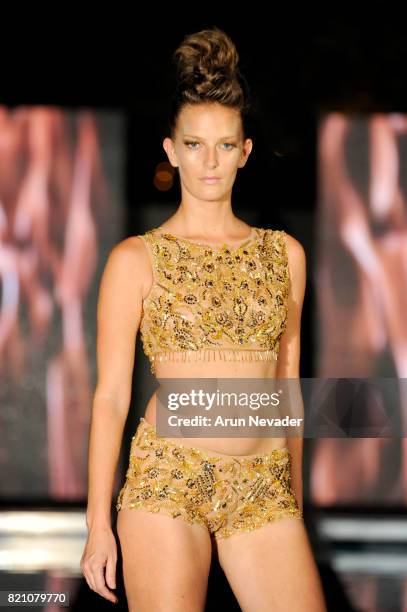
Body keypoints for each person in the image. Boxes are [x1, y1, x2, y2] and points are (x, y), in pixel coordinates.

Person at [80, 26, 327, 611]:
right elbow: (110, 397)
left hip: (264, 485)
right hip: (168, 478)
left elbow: (287, 387)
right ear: (171, 150)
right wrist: (96, 525)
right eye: (194, 145)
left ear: (244, 151)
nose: (209, 162)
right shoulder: (134, 260)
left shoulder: (285, 255)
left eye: (223, 145)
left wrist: (293, 496)